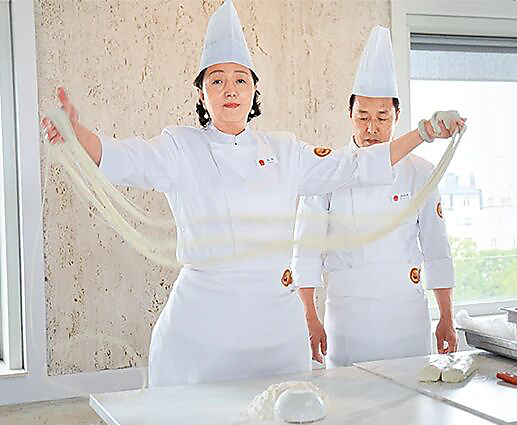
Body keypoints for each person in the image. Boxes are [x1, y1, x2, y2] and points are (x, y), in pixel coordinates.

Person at [41, 2, 464, 386]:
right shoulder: (179, 147)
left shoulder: (285, 151)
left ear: (253, 91)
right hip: (204, 331)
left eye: (240, 80)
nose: (230, 90)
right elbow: (123, 158)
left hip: (276, 332)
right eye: (218, 80)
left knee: (283, 420)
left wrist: (424, 133)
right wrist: (77, 134)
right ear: (202, 93)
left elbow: (352, 165)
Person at [292, 26, 460, 368]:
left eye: (382, 118)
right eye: (363, 117)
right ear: (349, 115)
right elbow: (305, 250)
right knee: (351, 399)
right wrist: (309, 317)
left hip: (406, 317)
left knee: (413, 394)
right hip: (348, 318)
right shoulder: (326, 171)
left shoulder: (421, 171)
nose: (371, 128)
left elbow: (436, 248)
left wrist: (446, 316)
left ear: (397, 116)